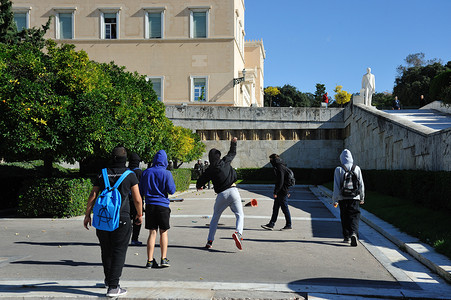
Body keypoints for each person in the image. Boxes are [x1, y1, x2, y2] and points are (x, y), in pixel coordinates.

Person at [83, 146, 143, 298]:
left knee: (106, 250)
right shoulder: (130, 175)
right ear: (125, 159)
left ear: (112, 157)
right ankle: (113, 287)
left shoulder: (102, 173)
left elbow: (93, 194)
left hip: (103, 217)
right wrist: (139, 214)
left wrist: (87, 214)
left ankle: (108, 280)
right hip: (122, 218)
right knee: (118, 251)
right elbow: (137, 198)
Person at [196, 137, 244, 250]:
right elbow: (232, 152)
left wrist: (199, 186)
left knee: (215, 218)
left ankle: (209, 241)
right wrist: (234, 143)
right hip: (233, 191)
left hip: (221, 195)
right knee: (240, 215)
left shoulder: (210, 170)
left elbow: (201, 180)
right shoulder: (225, 161)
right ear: (218, 156)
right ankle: (238, 233)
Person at [140, 150, 176, 269]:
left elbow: (141, 190)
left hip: (150, 205)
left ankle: (149, 260)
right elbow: (171, 190)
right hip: (163, 206)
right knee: (163, 232)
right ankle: (163, 258)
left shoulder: (146, 172)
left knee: (152, 233)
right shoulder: (167, 173)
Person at [332, 149, 365, 247]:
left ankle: (346, 237)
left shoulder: (339, 169)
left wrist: (335, 200)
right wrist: (362, 197)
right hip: (355, 197)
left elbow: (336, 186)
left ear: (341, 158)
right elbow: (361, 184)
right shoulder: (357, 168)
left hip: (343, 198)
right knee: (354, 216)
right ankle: (354, 233)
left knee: (344, 216)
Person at [261, 154, 293, 231]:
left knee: (284, 208)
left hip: (282, 192)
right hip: (283, 190)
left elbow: (281, 181)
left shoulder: (279, 167)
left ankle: (289, 225)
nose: (270, 161)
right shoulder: (281, 165)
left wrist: (276, 192)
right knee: (275, 208)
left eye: (270, 159)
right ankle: (271, 224)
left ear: (273, 159)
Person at [128, 153, 143, 246]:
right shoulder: (141, 173)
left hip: (127, 200)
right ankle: (134, 239)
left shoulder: (126, 172)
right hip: (138, 199)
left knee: (127, 221)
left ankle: (124, 238)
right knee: (137, 219)